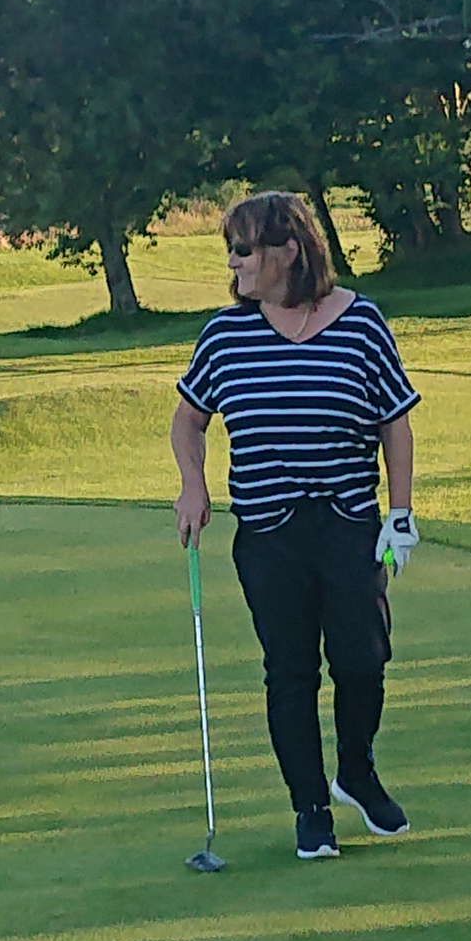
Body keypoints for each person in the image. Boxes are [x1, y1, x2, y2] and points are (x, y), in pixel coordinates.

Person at [171, 192, 419, 864]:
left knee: (363, 661)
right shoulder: (226, 335)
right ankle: (311, 809)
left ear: (289, 250)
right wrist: (193, 485)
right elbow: (188, 420)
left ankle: (356, 773)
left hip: (347, 522)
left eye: (245, 248)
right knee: (290, 672)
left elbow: (394, 420)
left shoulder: (360, 322)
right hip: (268, 531)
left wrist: (400, 512)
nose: (235, 262)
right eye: (232, 249)